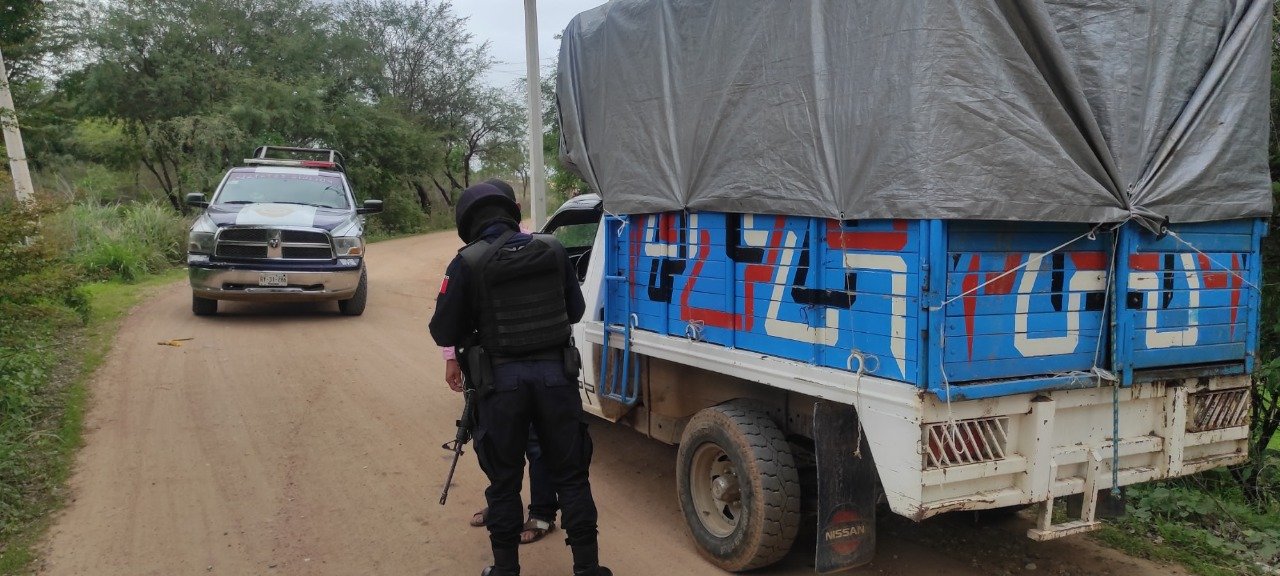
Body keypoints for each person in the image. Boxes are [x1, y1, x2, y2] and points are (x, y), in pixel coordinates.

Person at [430, 182, 610, 576]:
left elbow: (443, 331)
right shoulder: (554, 249)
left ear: (467, 220)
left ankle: (505, 569)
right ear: (511, 211)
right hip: (556, 380)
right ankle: (588, 568)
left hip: (500, 386)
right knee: (573, 477)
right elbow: (575, 310)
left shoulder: (467, 262)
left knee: (504, 482)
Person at [447, 178, 558, 544]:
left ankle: (542, 513)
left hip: (526, 370)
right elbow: (451, 321)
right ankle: (505, 506)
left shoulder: (538, 247)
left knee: (534, 443)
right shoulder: (469, 258)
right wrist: (452, 358)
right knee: (495, 444)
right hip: (492, 371)